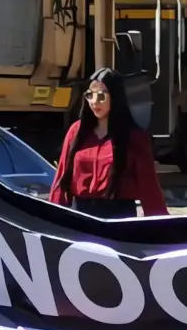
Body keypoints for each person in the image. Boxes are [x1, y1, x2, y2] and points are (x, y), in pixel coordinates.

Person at [51, 68, 168, 218]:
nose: (94, 102)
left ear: (115, 97)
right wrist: (53, 216)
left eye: (101, 96)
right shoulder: (77, 132)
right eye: (90, 95)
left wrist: (160, 224)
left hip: (118, 216)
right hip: (80, 214)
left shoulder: (134, 137)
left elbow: (149, 185)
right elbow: (61, 177)